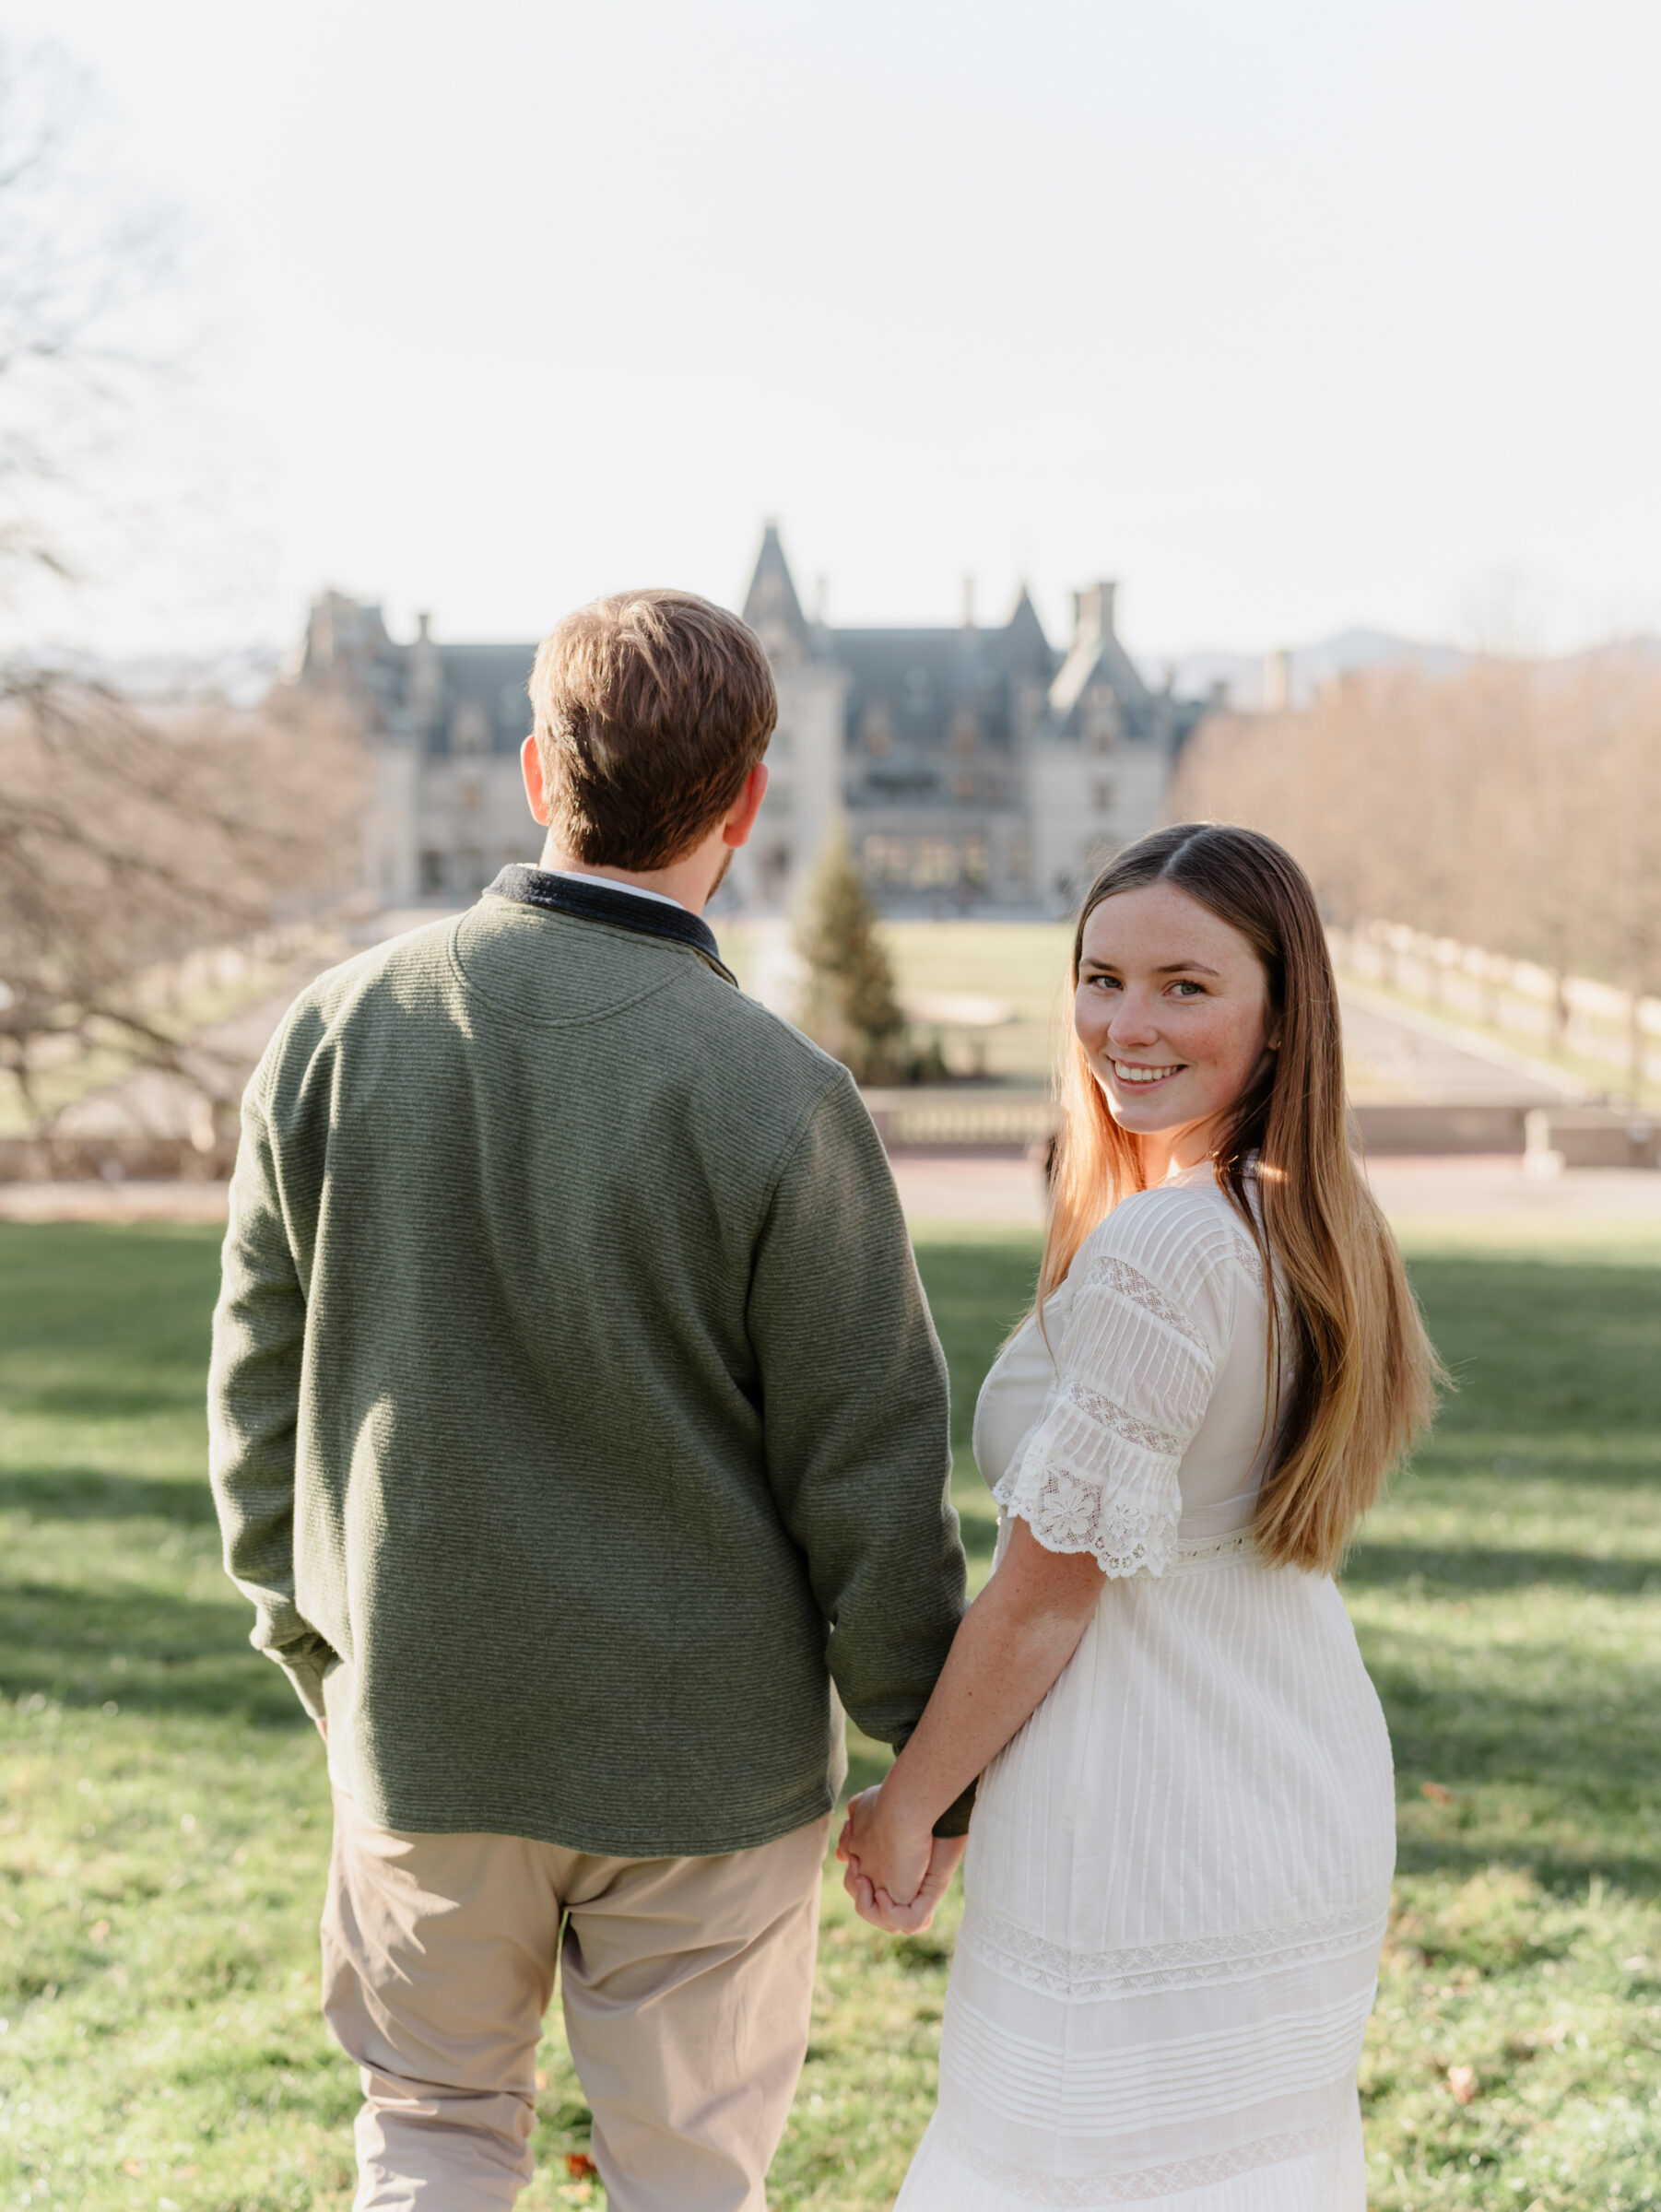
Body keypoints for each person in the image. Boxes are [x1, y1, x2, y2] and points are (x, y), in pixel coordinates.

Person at [206, 588, 973, 2212]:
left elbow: (255, 1413)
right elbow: (868, 1470)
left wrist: (322, 1653)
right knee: (687, 2175)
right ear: (748, 799)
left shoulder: (336, 1031)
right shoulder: (782, 1091)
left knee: (426, 2133)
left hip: (424, 1717)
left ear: (535, 766)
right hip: (705, 1761)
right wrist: (928, 1754)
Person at [839, 821, 1441, 2210]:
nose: (1125, 1022)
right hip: (1292, 1788)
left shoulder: (1169, 1247)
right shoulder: (1311, 1221)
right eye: (1100, 978)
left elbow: (1045, 1597)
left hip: (1149, 1824)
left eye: (1184, 985)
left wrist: (913, 1805)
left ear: (1284, 1016)